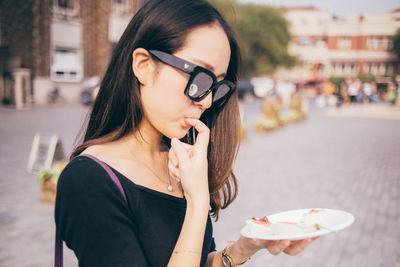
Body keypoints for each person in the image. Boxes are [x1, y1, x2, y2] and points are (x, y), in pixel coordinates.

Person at [55, 0, 316, 266]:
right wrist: (198, 201)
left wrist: (243, 248)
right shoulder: (88, 181)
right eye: (200, 78)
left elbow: (197, 260)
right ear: (144, 65)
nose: (206, 101)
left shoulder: (179, 160)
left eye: (217, 86)